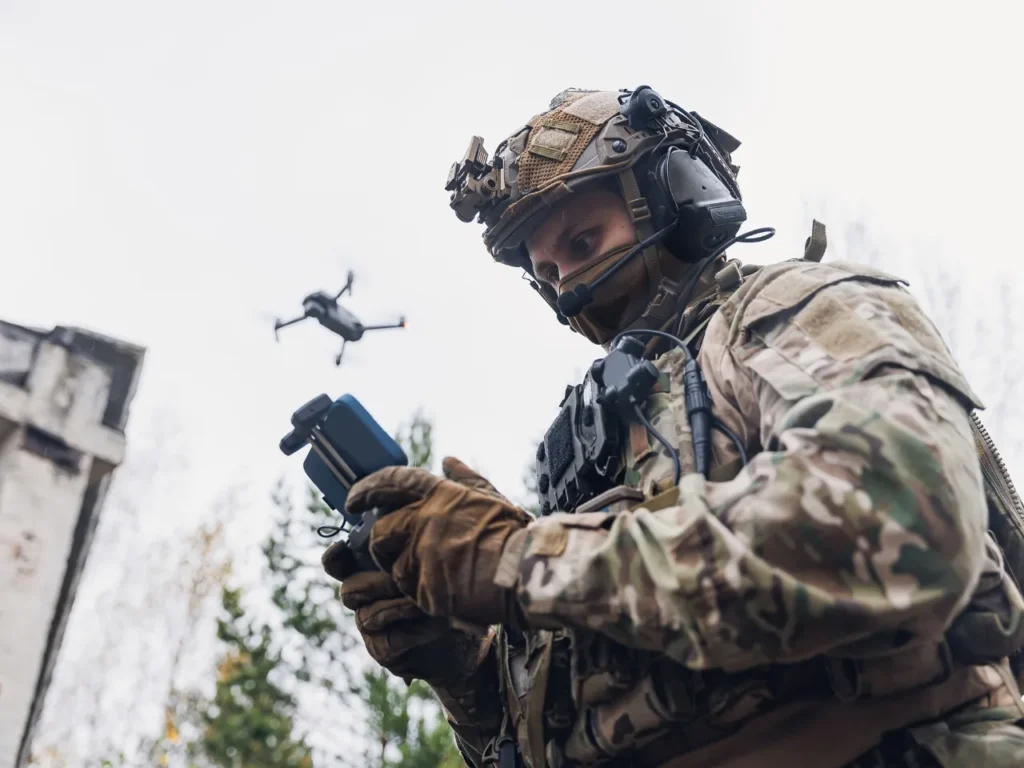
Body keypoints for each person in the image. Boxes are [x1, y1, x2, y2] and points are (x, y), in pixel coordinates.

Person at [323, 87, 1024, 767]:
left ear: (677, 196)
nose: (569, 285)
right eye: (546, 271)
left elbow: (903, 528)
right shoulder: (605, 445)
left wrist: (521, 561)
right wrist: (471, 667)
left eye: (584, 238)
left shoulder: (785, 310)